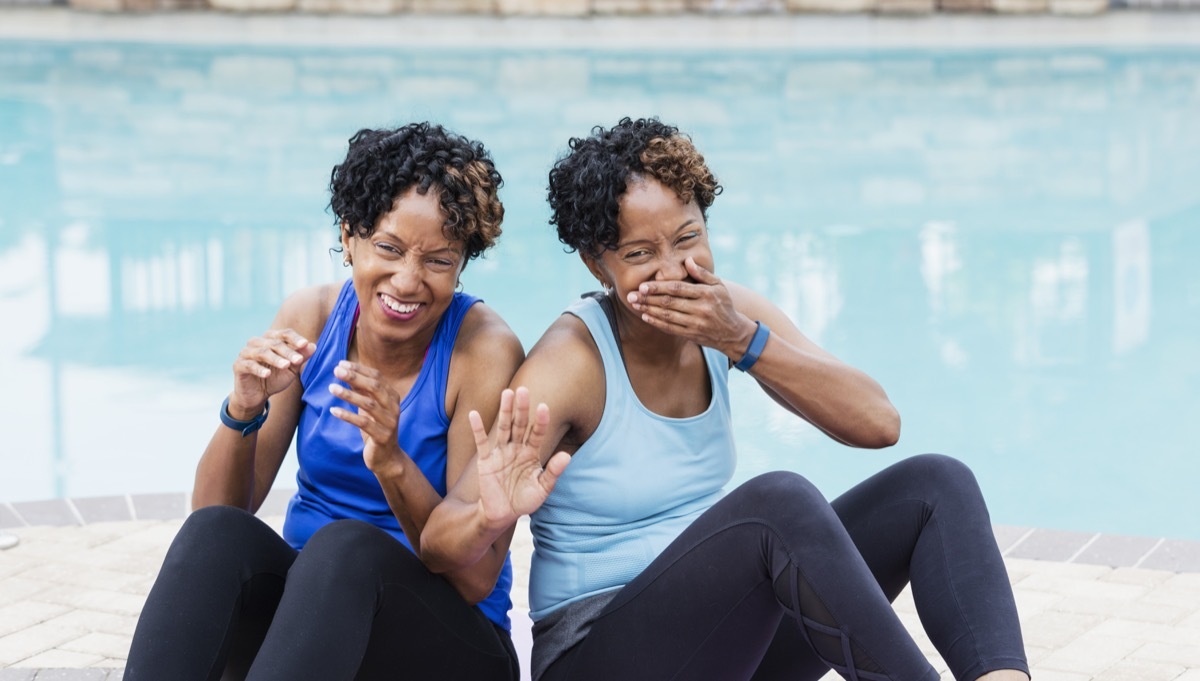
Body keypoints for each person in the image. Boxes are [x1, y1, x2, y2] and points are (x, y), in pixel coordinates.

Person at [421, 117, 1031, 681]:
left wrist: (742, 341)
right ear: (596, 262)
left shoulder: (729, 318)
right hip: (600, 652)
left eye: (688, 238)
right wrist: (489, 514)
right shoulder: (570, 365)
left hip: (729, 644)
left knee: (933, 486)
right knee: (777, 503)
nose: (675, 270)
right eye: (640, 254)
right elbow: (440, 540)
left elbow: (879, 424)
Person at [124, 122, 524, 681]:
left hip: (447, 642)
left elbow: (474, 577)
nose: (408, 281)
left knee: (344, 550)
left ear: (462, 263)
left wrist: (391, 462)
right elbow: (218, 511)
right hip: (311, 631)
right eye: (388, 248)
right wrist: (243, 409)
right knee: (215, 538)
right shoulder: (310, 319)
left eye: (439, 261)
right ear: (350, 236)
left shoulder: (482, 351)